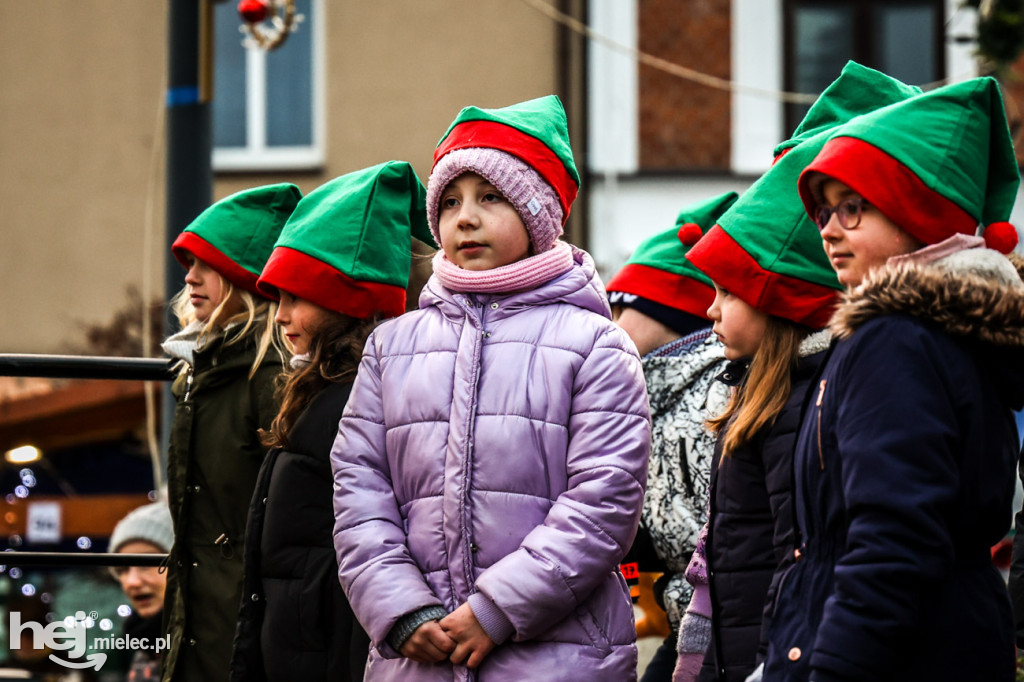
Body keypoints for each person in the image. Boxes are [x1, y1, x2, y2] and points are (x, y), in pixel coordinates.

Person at [330, 95, 651, 680]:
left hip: (557, 657)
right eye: (449, 202)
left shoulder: (595, 346)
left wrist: (496, 610)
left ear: (537, 215)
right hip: (416, 660)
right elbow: (359, 491)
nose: (465, 218)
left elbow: (604, 502)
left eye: (490, 197)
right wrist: (400, 610)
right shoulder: (390, 347)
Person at [667, 62, 921, 682]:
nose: (710, 310)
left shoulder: (815, 396)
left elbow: (808, 561)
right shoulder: (755, 392)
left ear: (779, 300)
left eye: (728, 290)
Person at [764, 75, 1024, 682]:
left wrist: (832, 669)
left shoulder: (896, 339)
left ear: (916, 210)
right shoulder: (933, 331)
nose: (827, 228)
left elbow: (892, 542)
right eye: (824, 209)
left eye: (851, 206)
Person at [230, 162, 435, 682]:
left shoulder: (355, 401)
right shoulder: (321, 391)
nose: (279, 316)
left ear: (346, 302)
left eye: (295, 297)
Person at [161, 183, 299, 682]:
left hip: (240, 620)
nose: (190, 277)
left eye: (207, 263)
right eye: (189, 263)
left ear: (247, 277)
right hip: (204, 614)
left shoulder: (270, 377)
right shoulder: (202, 370)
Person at [605, 193, 737, 681]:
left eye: (622, 307)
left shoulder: (712, 398)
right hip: (687, 618)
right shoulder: (647, 397)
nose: (611, 325)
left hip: (721, 623)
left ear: (673, 311)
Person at [110, 500, 175, 681]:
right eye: (122, 569)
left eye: (147, 563)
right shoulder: (144, 647)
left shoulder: (212, 644)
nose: (132, 582)